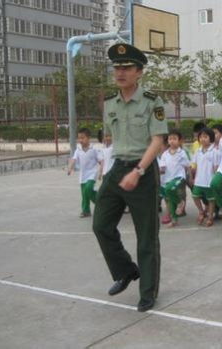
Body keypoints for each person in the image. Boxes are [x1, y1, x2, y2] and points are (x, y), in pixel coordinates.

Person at [92, 43, 168, 312]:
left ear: (139, 72)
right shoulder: (110, 104)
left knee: (146, 236)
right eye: (117, 68)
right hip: (117, 169)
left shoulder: (151, 102)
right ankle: (126, 270)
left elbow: (158, 140)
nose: (120, 72)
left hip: (142, 172)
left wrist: (139, 171)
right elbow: (113, 141)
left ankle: (148, 292)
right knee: (100, 224)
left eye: (126, 68)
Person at [159, 130, 190, 228]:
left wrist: (191, 178)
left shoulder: (182, 153)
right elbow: (162, 168)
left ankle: (180, 202)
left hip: (179, 177)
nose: (172, 141)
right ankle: (174, 220)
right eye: (170, 139)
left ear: (179, 141)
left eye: (174, 139)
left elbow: (187, 166)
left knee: (169, 189)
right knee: (169, 198)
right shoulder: (165, 154)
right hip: (169, 179)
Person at [67, 128, 100, 218]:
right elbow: (73, 159)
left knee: (88, 189)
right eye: (79, 138)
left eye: (83, 138)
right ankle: (86, 211)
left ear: (88, 138)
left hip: (92, 173)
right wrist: (70, 168)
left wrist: (102, 172)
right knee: (84, 194)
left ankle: (100, 202)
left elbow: (100, 160)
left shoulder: (94, 149)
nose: (80, 140)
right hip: (83, 175)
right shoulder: (78, 150)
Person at [191, 127, 219, 227]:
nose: (203, 139)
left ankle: (210, 217)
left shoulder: (214, 151)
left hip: (209, 180)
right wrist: (192, 177)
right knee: (195, 196)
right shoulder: (197, 151)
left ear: (210, 138)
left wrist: (216, 180)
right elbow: (194, 166)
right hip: (199, 180)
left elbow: (216, 167)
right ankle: (201, 211)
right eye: (201, 137)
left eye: (205, 137)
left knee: (211, 200)